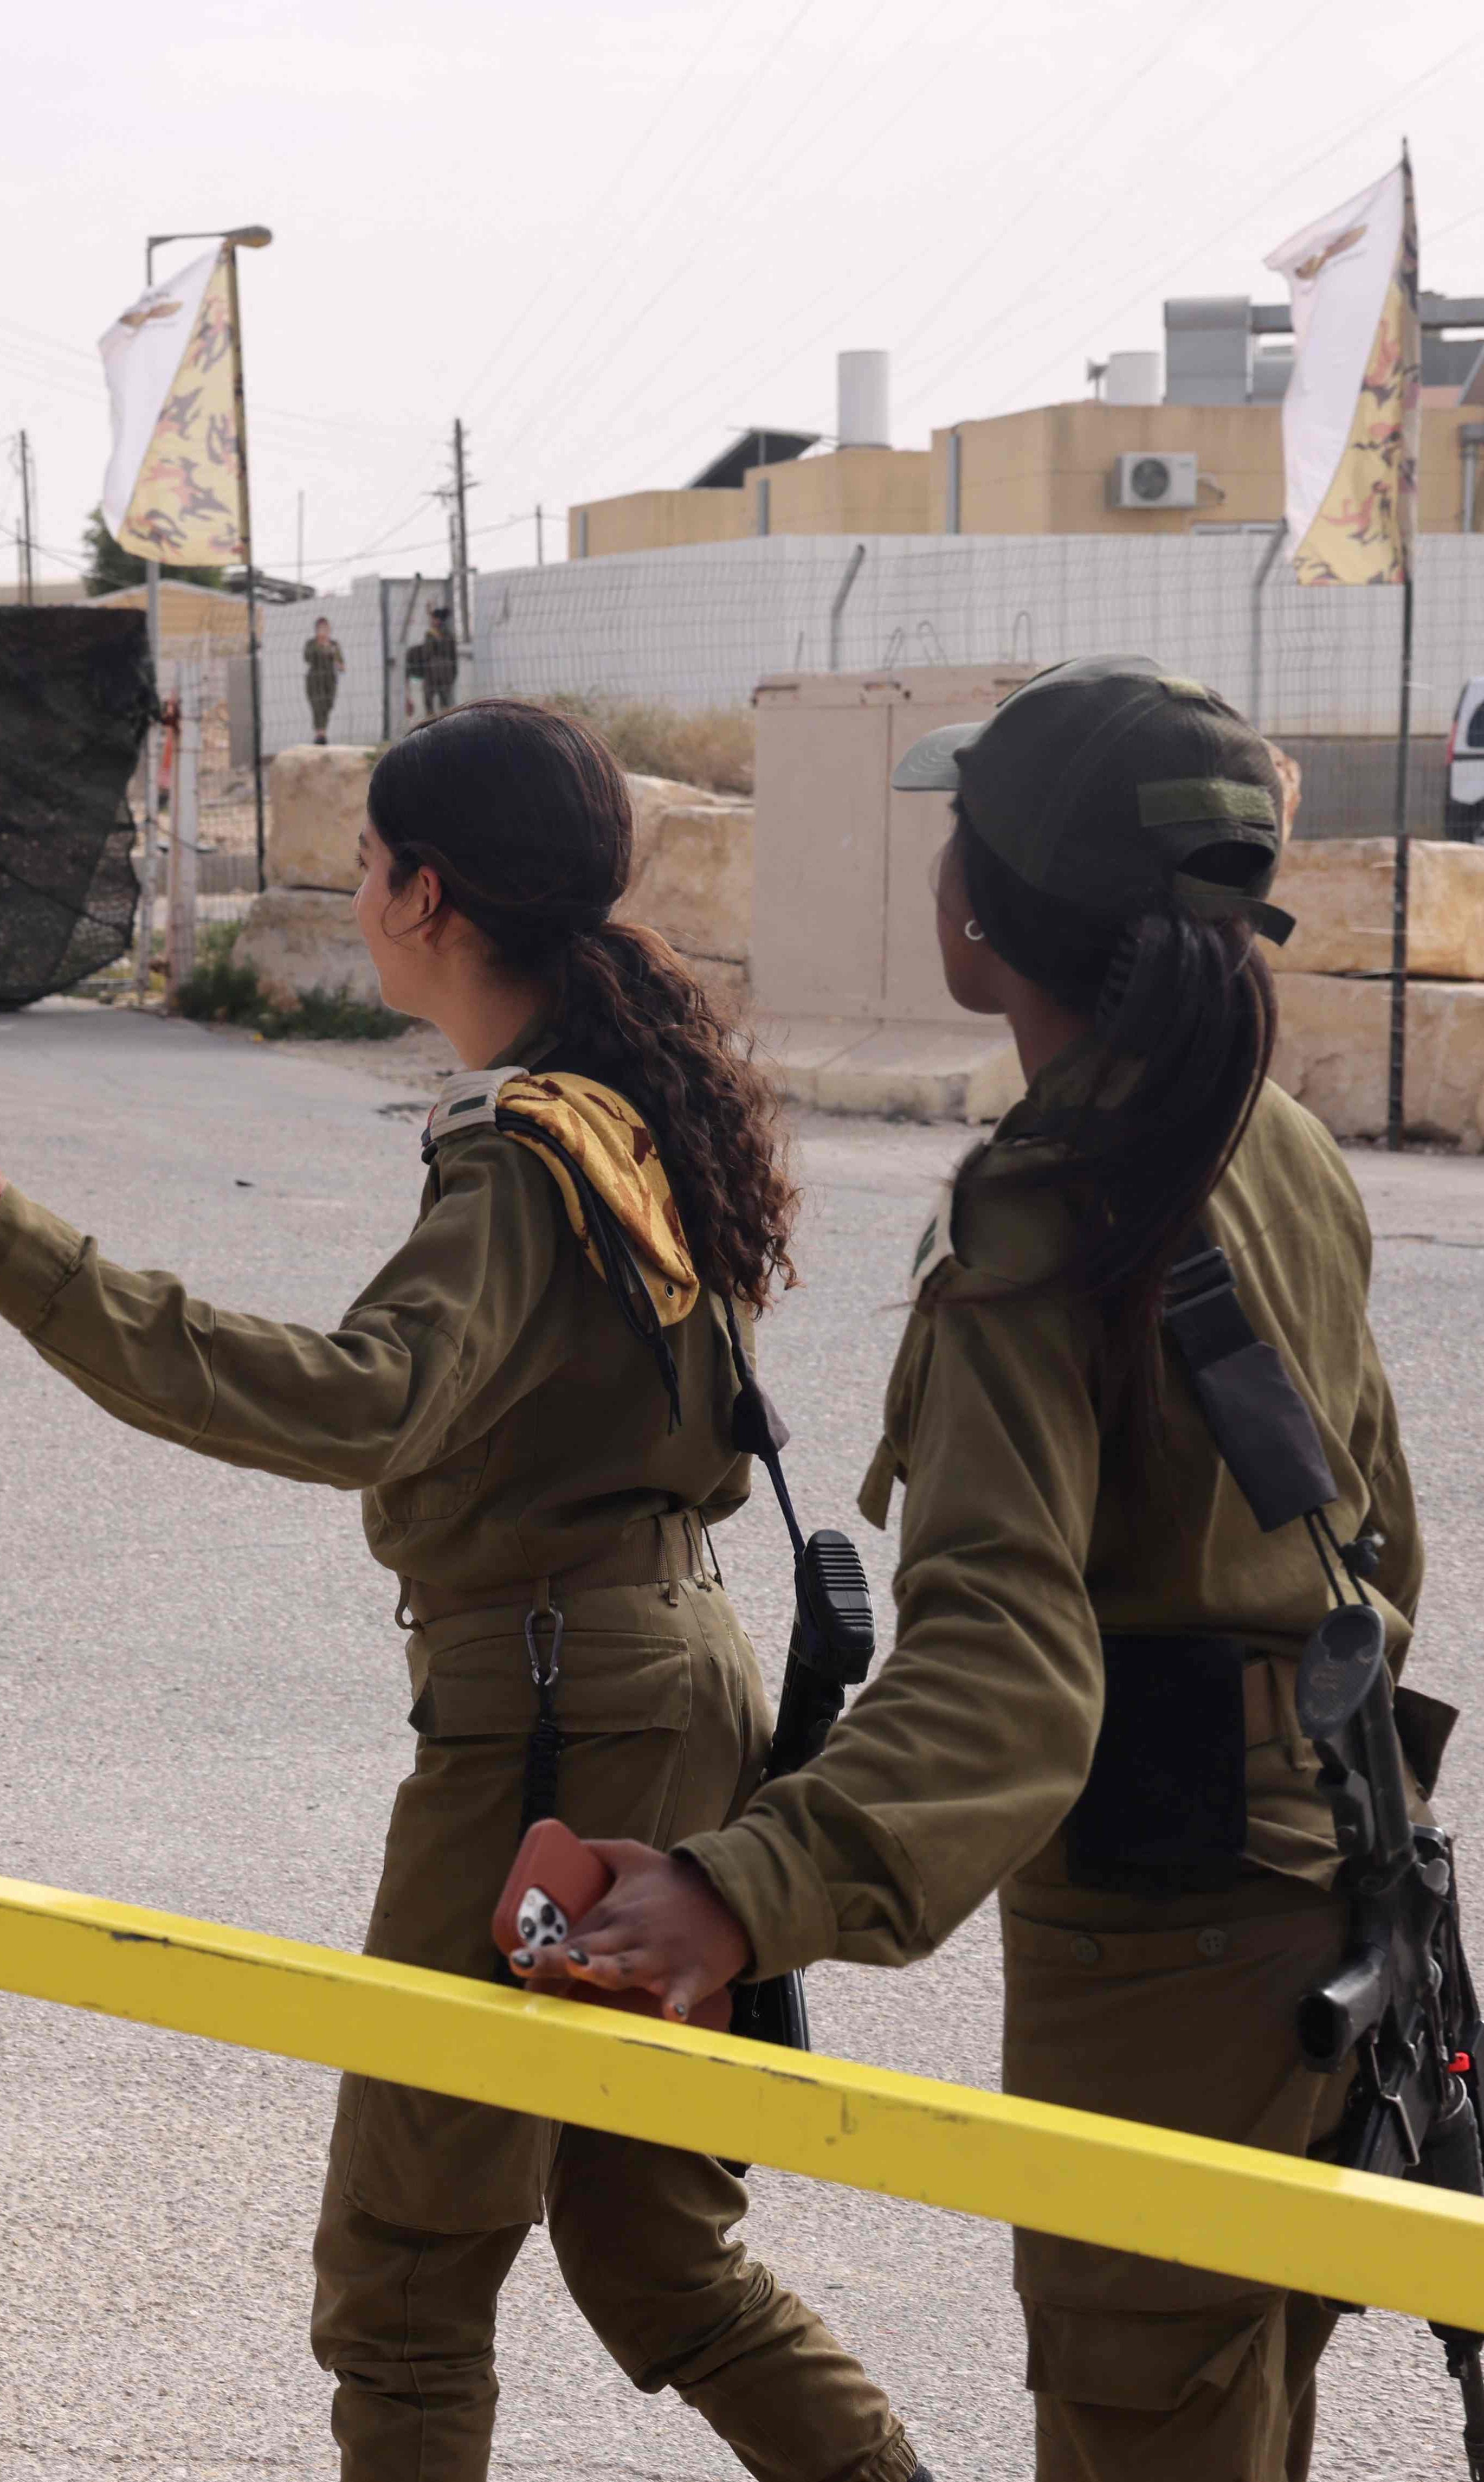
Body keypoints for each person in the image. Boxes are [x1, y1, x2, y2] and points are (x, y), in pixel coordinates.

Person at [0, 699, 928, 2482]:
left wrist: (28, 1255)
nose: (358, 887)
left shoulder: (530, 1156)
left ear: (421, 892)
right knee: (654, 2255)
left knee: (402, 2279)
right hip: (661, 1696)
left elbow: (360, 1397)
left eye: (365, 861)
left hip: (548, 1731)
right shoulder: (622, 1106)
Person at [538, 658, 1420, 2481]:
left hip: (1168, 1952)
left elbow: (1006, 1666)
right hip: (1332, 1910)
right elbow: (1375, 1542)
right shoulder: (1272, 1145)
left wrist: (736, 1889)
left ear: (991, 911)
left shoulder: (1051, 1203)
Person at [305, 615, 346, 743]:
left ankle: (322, 734)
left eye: (326, 628)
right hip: (315, 680)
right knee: (318, 708)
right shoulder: (311, 644)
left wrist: (337, 661)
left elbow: (341, 664)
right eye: (321, 629)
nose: (323, 631)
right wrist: (320, 645)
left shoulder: (334, 645)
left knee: (328, 707)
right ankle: (320, 735)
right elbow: (308, 658)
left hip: (330, 680)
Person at [417, 604, 460, 717]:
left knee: (445, 706)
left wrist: (453, 675)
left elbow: (453, 657)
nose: (433, 621)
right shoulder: (430, 635)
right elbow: (425, 657)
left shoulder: (448, 637)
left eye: (435, 619)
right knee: (429, 703)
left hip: (445, 675)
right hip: (431, 675)